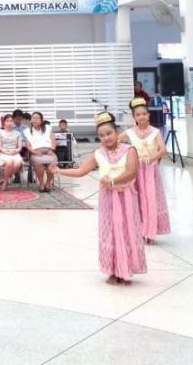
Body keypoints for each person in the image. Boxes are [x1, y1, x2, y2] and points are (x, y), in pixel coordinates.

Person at [51, 112, 146, 285]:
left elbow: (131, 172)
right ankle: (113, 271)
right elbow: (80, 171)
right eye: (101, 136)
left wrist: (113, 181)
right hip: (108, 198)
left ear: (117, 133)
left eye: (109, 133)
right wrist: (58, 170)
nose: (106, 138)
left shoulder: (129, 150)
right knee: (110, 232)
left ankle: (126, 270)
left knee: (126, 230)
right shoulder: (99, 154)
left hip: (126, 197)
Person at [122, 98, 170, 244]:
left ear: (148, 115)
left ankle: (151, 233)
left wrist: (152, 157)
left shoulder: (155, 132)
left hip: (150, 170)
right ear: (134, 117)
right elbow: (114, 142)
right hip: (135, 170)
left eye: (144, 114)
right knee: (137, 200)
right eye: (138, 114)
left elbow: (163, 149)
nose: (141, 117)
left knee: (150, 200)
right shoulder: (130, 132)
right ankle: (141, 231)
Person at [25, 111, 57, 193]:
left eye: (37, 118)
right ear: (31, 120)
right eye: (33, 118)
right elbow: (28, 145)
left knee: (51, 165)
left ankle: (48, 183)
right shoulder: (27, 131)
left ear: (41, 120)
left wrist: (52, 150)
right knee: (39, 165)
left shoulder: (48, 128)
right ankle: (41, 183)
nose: (35, 120)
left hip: (49, 151)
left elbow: (53, 140)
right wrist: (34, 152)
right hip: (36, 152)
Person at [0, 114, 23, 189]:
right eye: (7, 121)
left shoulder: (17, 133)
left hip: (15, 152)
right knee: (9, 162)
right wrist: (6, 152)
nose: (9, 123)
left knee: (18, 163)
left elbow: (19, 147)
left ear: (13, 122)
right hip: (4, 152)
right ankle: (5, 183)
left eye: (11, 121)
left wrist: (15, 151)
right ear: (4, 122)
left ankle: (5, 179)